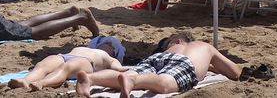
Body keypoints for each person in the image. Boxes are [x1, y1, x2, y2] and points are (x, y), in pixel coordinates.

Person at [75, 33, 242, 97]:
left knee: (134, 72)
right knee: (164, 83)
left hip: (156, 59)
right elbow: (235, 72)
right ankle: (134, 81)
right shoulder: (205, 47)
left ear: (177, 41)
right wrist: (210, 64)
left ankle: (90, 79)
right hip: (185, 63)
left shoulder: (167, 50)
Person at [8, 36, 126, 90]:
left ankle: (42, 83)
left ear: (115, 52)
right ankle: (25, 81)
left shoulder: (109, 58)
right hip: (65, 56)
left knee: (65, 68)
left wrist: (122, 69)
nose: (108, 45)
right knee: (42, 65)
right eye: (105, 43)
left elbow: (118, 68)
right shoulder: (88, 48)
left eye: (111, 45)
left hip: (86, 62)